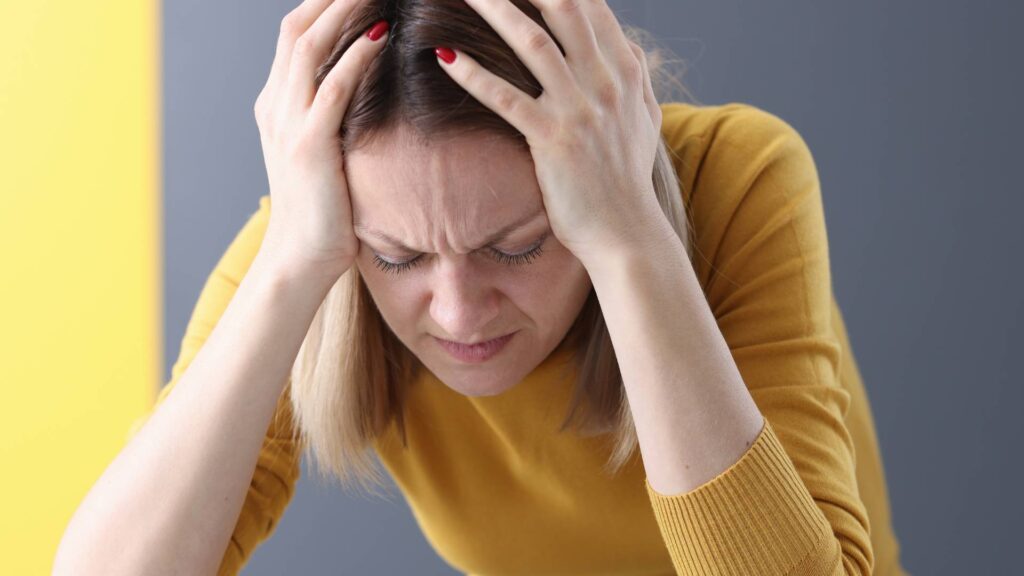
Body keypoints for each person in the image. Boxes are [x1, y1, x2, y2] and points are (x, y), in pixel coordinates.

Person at [55, 1, 908, 574]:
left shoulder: (738, 180)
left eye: (519, 245)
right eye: (398, 260)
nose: (459, 313)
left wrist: (628, 239)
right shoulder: (315, 247)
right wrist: (290, 266)